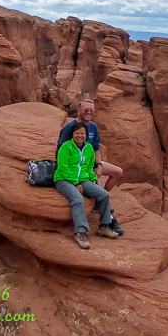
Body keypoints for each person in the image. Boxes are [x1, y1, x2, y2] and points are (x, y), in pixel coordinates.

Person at [56, 97, 124, 235]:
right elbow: (60, 152)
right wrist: (76, 179)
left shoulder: (92, 126)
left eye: (92, 110)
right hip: (77, 166)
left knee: (118, 172)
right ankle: (105, 214)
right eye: (86, 109)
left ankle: (100, 203)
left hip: (91, 162)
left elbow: (95, 147)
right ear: (79, 110)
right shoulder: (70, 127)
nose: (89, 112)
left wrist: (98, 165)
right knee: (91, 189)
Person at [54, 122, 120, 249]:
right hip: (64, 179)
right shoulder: (66, 147)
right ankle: (81, 232)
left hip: (83, 179)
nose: (80, 136)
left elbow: (89, 167)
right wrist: (75, 182)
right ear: (72, 134)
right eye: (77, 133)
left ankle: (104, 226)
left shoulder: (89, 148)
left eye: (82, 133)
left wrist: (93, 179)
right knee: (78, 199)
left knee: (104, 194)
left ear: (86, 135)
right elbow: (62, 167)